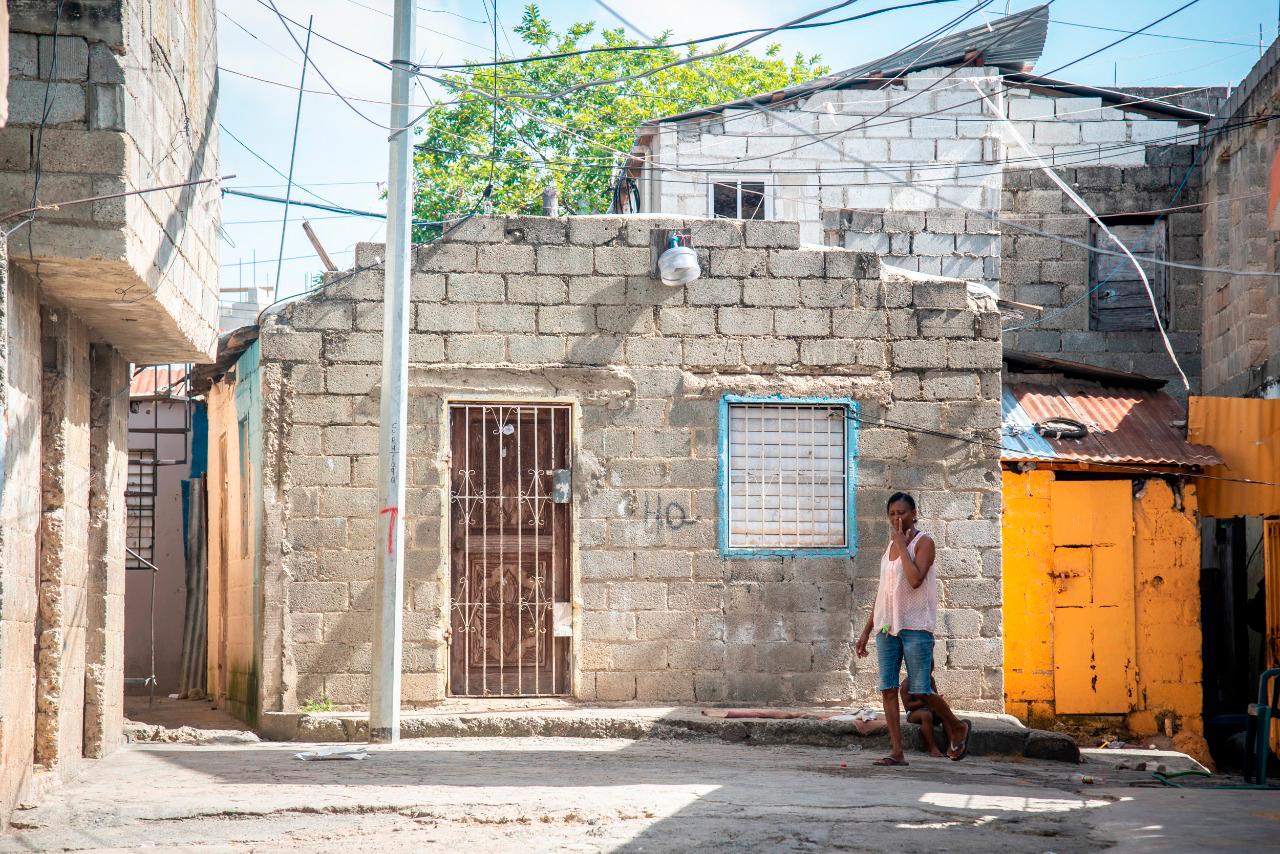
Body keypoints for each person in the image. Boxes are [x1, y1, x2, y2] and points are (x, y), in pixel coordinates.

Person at [856, 492, 971, 767]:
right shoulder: (888, 548)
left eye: (903, 512)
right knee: (887, 688)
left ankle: (956, 727)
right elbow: (883, 592)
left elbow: (915, 579)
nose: (898, 518)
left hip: (916, 626)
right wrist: (866, 630)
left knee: (920, 690)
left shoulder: (924, 543)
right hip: (887, 627)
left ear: (914, 513)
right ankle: (897, 753)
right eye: (892, 514)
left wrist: (902, 544)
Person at [900, 669, 944, 758]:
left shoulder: (930, 679)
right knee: (926, 715)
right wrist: (925, 702)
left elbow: (935, 696)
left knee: (944, 712)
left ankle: (953, 743)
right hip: (913, 713)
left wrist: (938, 700)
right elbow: (908, 706)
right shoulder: (906, 684)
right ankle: (932, 747)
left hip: (929, 709)